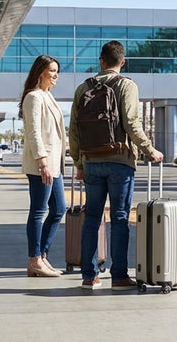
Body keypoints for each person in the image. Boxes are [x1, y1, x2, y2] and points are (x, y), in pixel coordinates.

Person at [69, 41, 163, 290]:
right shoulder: (126, 85)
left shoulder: (82, 89)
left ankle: (89, 276)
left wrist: (79, 162)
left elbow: (74, 130)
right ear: (122, 62)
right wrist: (149, 149)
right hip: (120, 161)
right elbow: (132, 123)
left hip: (91, 162)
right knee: (119, 218)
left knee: (92, 218)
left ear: (101, 61)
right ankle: (119, 276)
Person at [19, 54, 68, 278]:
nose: (56, 74)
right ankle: (34, 260)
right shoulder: (34, 97)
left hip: (53, 164)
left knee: (59, 209)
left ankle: (42, 256)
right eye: (52, 70)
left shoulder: (49, 96)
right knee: (39, 211)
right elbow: (34, 132)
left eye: (57, 71)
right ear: (41, 72)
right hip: (43, 164)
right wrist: (42, 162)